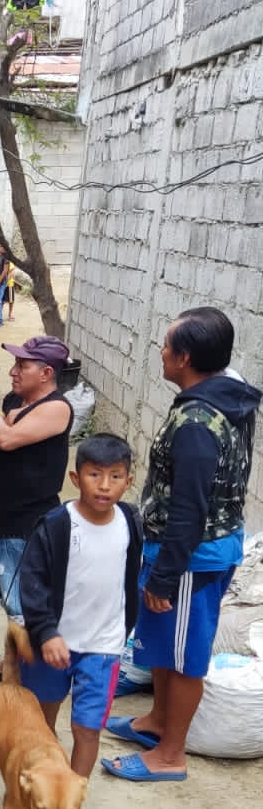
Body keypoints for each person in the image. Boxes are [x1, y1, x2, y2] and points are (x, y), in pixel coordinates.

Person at [102, 308, 261, 783]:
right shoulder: (220, 395)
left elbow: (190, 507)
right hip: (188, 551)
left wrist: (165, 576)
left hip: (191, 558)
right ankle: (157, 722)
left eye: (167, 345)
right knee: (164, 646)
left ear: (185, 358)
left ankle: (171, 754)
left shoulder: (197, 422)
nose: (162, 352)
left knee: (186, 656)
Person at [18, 434, 143, 809]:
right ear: (76, 478)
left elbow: (130, 575)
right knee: (42, 725)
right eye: (94, 475)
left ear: (128, 480)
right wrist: (46, 632)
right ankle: (39, 792)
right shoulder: (57, 525)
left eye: (115, 476)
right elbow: (32, 582)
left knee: (88, 728)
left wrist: (130, 623)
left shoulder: (130, 522)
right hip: (53, 646)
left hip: (104, 647)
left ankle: (70, 807)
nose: (104, 485)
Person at [0, 336, 75, 679]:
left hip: (27, 521)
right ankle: (17, 666)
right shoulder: (14, 400)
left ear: (46, 373)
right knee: (6, 592)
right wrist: (1, 417)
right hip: (3, 517)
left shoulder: (57, 408)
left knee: (20, 601)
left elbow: (6, 439)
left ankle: (20, 676)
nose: (13, 372)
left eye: (22, 366)